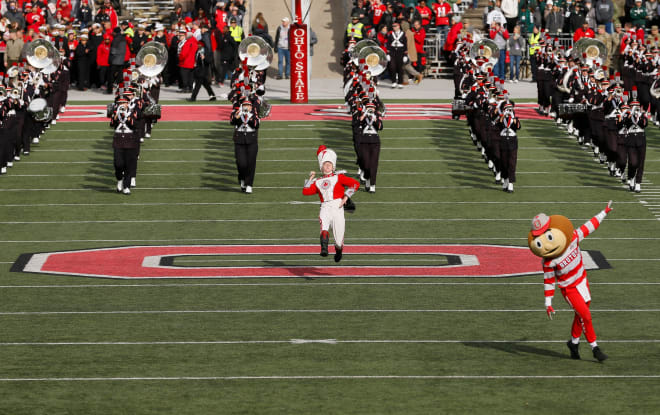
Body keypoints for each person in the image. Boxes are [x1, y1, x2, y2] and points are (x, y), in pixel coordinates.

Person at [527, 202, 613, 362]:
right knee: (586, 316)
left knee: (580, 314)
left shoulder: (572, 237)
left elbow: (588, 227)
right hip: (569, 288)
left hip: (582, 280)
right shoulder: (548, 260)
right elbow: (548, 281)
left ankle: (573, 343)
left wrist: (604, 212)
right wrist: (548, 302)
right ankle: (595, 348)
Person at [303, 145, 360, 262]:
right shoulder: (317, 181)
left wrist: (346, 196)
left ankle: (339, 250)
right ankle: (324, 249)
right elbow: (306, 191)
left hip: (337, 206)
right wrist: (310, 178)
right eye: (325, 164)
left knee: (339, 241)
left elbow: (355, 183)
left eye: (329, 164)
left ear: (333, 166)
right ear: (321, 167)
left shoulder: (339, 177)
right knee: (323, 227)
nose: (327, 166)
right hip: (324, 207)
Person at [230, 97, 259, 194]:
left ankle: (249, 184)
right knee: (241, 163)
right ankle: (242, 178)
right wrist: (239, 115)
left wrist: (248, 117)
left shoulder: (254, 115)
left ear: (251, 107)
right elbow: (232, 121)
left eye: (249, 105)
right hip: (239, 140)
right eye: (245, 105)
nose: (247, 107)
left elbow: (256, 125)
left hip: (252, 141)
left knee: (251, 164)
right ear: (242, 106)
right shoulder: (237, 113)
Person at [111, 96, 139, 195]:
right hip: (118, 140)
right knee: (118, 163)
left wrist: (127, 116)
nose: (121, 104)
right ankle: (119, 179)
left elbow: (134, 125)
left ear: (128, 103)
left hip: (129, 140)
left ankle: (126, 186)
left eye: (124, 102)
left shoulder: (132, 112)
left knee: (128, 164)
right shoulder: (115, 112)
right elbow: (112, 124)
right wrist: (117, 115)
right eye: (120, 103)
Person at [387, 20, 408, 88]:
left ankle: (400, 82)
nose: (394, 27)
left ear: (399, 26)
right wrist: (388, 54)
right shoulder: (391, 34)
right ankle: (393, 82)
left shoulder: (403, 34)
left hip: (400, 52)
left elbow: (405, 45)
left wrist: (405, 55)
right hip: (393, 52)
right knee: (392, 67)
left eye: (395, 26)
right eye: (393, 26)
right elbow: (388, 44)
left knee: (400, 68)